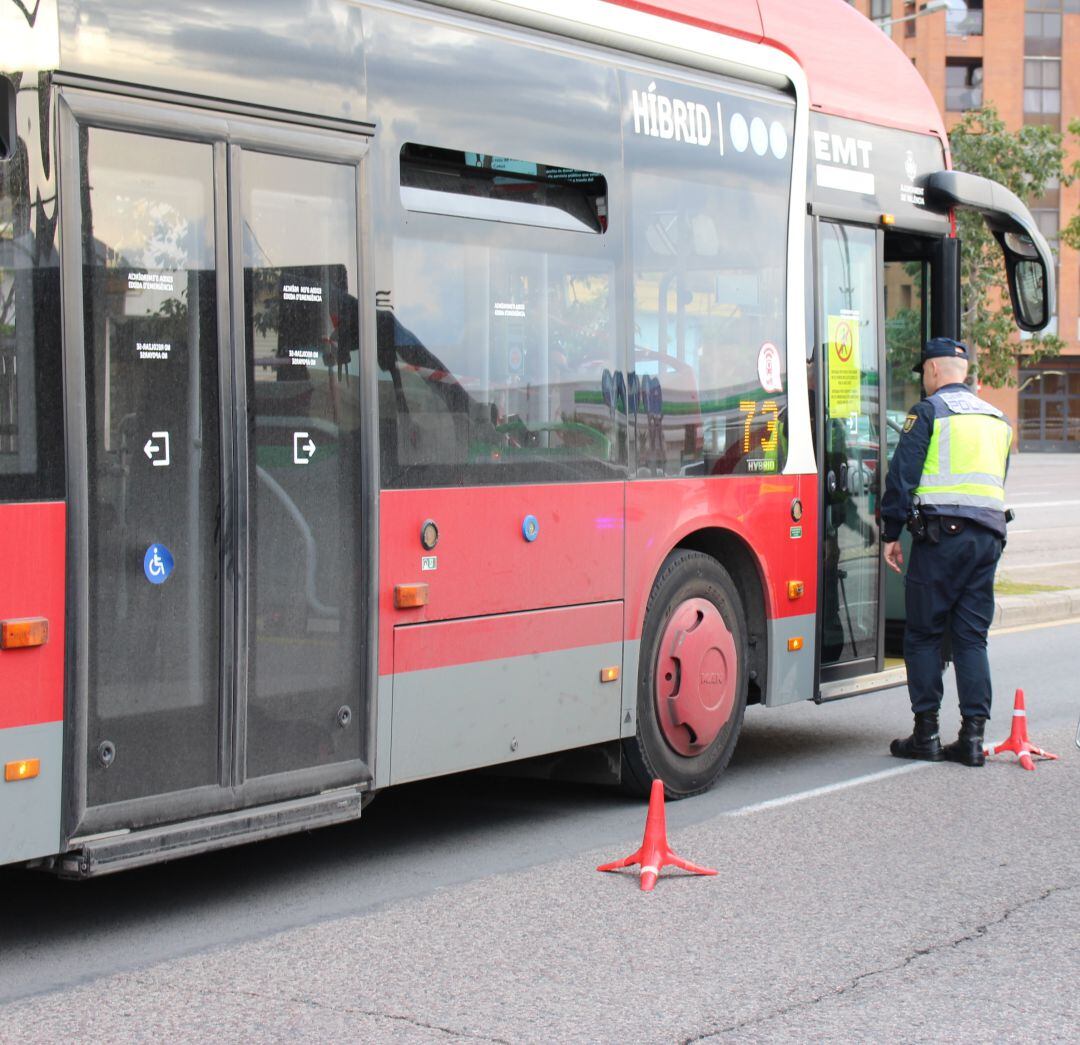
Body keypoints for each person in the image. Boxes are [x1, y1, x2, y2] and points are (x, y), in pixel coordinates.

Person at [880, 337, 1013, 766]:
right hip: (988, 538)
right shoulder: (998, 418)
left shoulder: (929, 412)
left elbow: (902, 476)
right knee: (972, 637)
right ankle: (973, 739)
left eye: (924, 374)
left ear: (933, 371)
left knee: (923, 634)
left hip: (941, 538)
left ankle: (926, 734)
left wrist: (890, 532)